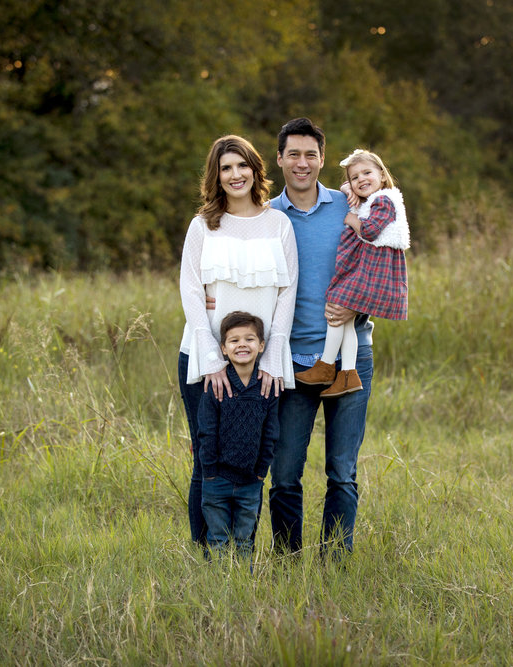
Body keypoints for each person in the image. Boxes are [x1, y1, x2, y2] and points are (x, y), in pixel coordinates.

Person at [178, 135, 298, 553]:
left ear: (255, 170)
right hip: (205, 357)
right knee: (206, 458)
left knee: (250, 458)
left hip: (259, 362)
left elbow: (288, 293)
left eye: (242, 166)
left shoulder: (278, 224)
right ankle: (203, 551)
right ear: (216, 175)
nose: (235, 175)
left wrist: (274, 359)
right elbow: (191, 291)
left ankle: (242, 552)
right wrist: (211, 357)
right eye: (226, 168)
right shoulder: (203, 226)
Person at [268, 117, 375, 557]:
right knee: (286, 473)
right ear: (279, 159)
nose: (302, 162)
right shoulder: (267, 217)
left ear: (323, 159)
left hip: (351, 355)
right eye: (293, 153)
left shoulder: (351, 206)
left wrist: (358, 305)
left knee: (342, 472)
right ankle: (287, 562)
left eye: (310, 154)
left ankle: (335, 563)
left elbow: (383, 265)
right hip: (291, 361)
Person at [294, 149, 409, 397]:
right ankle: (348, 374)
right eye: (355, 177)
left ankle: (326, 365)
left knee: (337, 305)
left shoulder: (384, 201)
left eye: (367, 173)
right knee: (345, 321)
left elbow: (369, 230)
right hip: (365, 269)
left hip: (372, 271)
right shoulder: (370, 198)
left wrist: (351, 219)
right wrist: (348, 190)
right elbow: (350, 186)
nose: (361, 180)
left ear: (382, 174)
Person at [198, 311, 279, 560]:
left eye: (249, 339)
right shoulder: (216, 386)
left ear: (261, 346)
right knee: (218, 540)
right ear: (223, 348)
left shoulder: (267, 388)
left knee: (245, 541)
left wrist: (260, 471)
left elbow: (271, 433)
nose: (242, 344)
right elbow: (206, 431)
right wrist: (209, 471)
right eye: (234, 341)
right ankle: (218, 590)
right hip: (217, 480)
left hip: (250, 482)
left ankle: (245, 586)